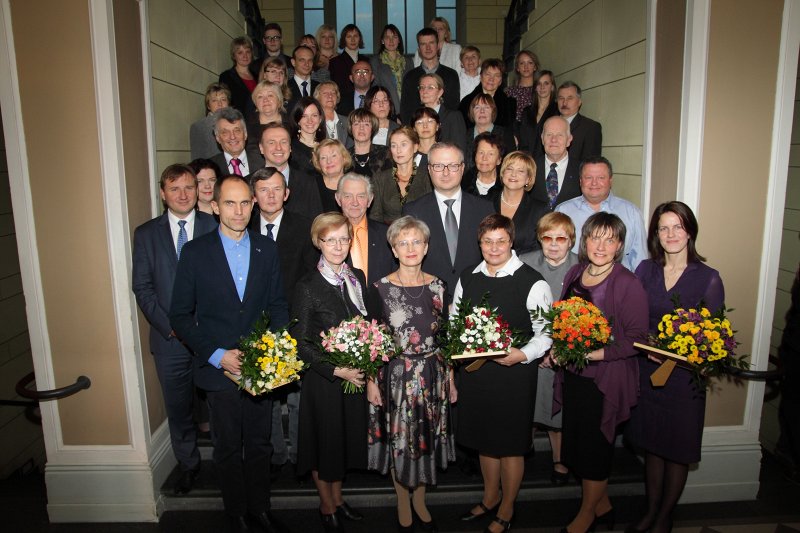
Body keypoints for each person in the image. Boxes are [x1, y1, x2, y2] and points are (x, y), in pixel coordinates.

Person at [169, 175, 289, 533]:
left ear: (253, 205)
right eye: (230, 203)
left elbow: (278, 306)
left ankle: (260, 508)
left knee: (259, 443)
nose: (238, 211)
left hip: (259, 367)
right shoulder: (195, 252)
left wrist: (270, 352)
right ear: (215, 206)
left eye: (244, 203)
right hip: (218, 368)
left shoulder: (266, 249)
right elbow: (179, 315)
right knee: (225, 446)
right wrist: (216, 354)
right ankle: (235, 512)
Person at [625, 201, 726, 533]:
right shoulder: (644, 270)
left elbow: (713, 337)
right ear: (656, 233)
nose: (671, 234)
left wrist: (688, 352)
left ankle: (665, 516)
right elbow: (633, 319)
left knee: (677, 449)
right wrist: (647, 345)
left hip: (683, 380)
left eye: (677, 227)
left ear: (690, 232)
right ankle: (650, 510)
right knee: (653, 447)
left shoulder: (708, 278)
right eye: (663, 228)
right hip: (648, 372)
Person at [452, 214, 553, 533]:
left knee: (509, 444)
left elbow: (546, 333)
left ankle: (508, 506)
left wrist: (522, 355)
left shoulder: (532, 281)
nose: (494, 248)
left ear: (511, 242)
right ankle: (490, 496)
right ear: (479, 243)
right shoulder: (468, 276)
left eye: (501, 241)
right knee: (484, 440)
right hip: (476, 374)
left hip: (514, 375)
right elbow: (456, 320)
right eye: (487, 241)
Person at [554, 212, 649, 533]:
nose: (601, 245)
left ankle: (587, 514)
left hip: (605, 379)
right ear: (585, 240)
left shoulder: (627, 282)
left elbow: (636, 339)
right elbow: (563, 321)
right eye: (596, 237)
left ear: (619, 245)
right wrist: (559, 346)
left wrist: (593, 353)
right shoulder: (575, 273)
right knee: (579, 445)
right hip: (575, 376)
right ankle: (603, 504)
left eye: (610, 239)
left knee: (595, 448)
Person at [366, 215, 456, 532]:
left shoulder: (439, 286)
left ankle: (420, 497)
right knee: (400, 439)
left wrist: (451, 378)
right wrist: (369, 381)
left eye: (416, 241)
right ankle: (402, 496)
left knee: (425, 437)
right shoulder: (379, 288)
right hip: (394, 376)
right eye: (402, 242)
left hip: (432, 373)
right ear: (393, 249)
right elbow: (371, 340)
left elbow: (445, 337)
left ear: (427, 246)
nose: (410, 248)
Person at [132, 164, 217, 496]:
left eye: (189, 187)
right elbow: (143, 288)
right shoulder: (146, 234)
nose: (183, 194)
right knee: (179, 408)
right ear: (163, 193)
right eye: (175, 188)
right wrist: (175, 329)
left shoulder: (215, 227)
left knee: (220, 404)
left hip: (212, 337)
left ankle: (226, 463)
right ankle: (189, 465)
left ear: (197, 191)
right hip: (170, 341)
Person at [293, 212, 369, 533]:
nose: (338, 246)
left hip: (353, 378)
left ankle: (338, 499)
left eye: (343, 238)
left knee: (341, 444)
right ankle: (325, 504)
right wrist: (338, 370)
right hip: (325, 381)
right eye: (330, 239)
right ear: (318, 242)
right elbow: (301, 343)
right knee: (324, 445)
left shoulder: (357, 278)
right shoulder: (307, 286)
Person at [249, 167, 318, 479]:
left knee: (298, 396)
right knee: (267, 397)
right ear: (254, 196)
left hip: (294, 323)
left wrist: (296, 326)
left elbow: (309, 280)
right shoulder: (241, 226)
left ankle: (302, 454)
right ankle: (276, 455)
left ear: (287, 193)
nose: (271, 195)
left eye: (277, 188)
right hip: (254, 326)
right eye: (264, 189)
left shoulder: (304, 228)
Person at [520, 212, 580, 486]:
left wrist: (559, 351)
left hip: (565, 353)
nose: (554, 244)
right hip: (532, 348)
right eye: (547, 238)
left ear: (571, 241)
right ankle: (523, 449)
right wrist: (536, 349)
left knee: (559, 409)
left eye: (561, 238)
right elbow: (515, 311)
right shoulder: (524, 263)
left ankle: (560, 460)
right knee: (528, 403)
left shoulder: (583, 268)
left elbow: (587, 317)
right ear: (539, 239)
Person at [402, 142, 494, 303]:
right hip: (427, 300)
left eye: (452, 165)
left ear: (462, 168)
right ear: (429, 169)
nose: (445, 172)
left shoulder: (484, 209)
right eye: (438, 166)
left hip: (476, 300)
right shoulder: (412, 212)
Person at [555, 156, 648, 271]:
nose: (594, 183)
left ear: (610, 181)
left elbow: (640, 259)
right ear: (580, 181)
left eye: (601, 177)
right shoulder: (563, 211)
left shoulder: (632, 213)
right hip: (575, 283)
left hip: (620, 285)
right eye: (588, 177)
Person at [335, 173, 396, 286]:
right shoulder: (328, 237)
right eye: (348, 196)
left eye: (361, 196)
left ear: (370, 200)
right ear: (338, 199)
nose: (355, 202)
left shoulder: (387, 234)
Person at [258, 122, 323, 219]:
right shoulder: (249, 183)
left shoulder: (308, 182)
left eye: (283, 142)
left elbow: (318, 224)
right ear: (261, 148)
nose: (278, 148)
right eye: (271, 142)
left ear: (290, 147)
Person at [370, 126, 432, 225]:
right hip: (388, 236)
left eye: (403, 145)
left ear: (415, 147)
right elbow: (375, 217)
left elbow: (432, 213)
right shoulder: (380, 178)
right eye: (394, 146)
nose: (398, 150)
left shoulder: (427, 177)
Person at [400, 28, 460, 123]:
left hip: (444, 130)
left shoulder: (451, 75)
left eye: (431, 43)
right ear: (419, 49)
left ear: (438, 46)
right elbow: (406, 111)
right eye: (423, 44)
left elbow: (453, 107)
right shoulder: (410, 77)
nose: (428, 48)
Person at [493, 151, 547, 254]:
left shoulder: (540, 210)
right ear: (503, 173)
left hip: (525, 267)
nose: (513, 174)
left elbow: (539, 250)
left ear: (528, 179)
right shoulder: (484, 202)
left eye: (520, 171)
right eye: (509, 169)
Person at [530, 116, 581, 210]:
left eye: (560, 135)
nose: (553, 140)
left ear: (569, 140)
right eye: (549, 134)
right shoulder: (529, 167)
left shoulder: (582, 170)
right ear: (542, 139)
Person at [459, 59, 516, 130]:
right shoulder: (466, 102)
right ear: (481, 76)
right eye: (488, 74)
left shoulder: (509, 104)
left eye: (497, 75)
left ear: (501, 81)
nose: (491, 79)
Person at [416, 73, 466, 153]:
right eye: (422, 87)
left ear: (440, 92)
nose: (424, 91)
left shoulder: (453, 117)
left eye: (430, 87)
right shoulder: (416, 117)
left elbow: (460, 151)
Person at [464, 94, 516, 169]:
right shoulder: (464, 135)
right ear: (472, 112)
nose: (482, 111)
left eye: (487, 107)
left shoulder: (505, 134)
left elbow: (511, 163)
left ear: (493, 112)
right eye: (477, 107)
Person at [370, 24, 413, 114]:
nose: (391, 40)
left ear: (399, 40)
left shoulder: (408, 61)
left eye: (394, 37)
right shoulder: (376, 61)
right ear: (382, 41)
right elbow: (376, 86)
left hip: (408, 108)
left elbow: (411, 87)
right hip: (387, 109)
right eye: (387, 37)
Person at [210, 107, 264, 178]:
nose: (232, 137)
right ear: (217, 138)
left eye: (237, 131)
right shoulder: (210, 168)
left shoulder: (263, 162)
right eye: (225, 132)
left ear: (245, 134)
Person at [558, 81, 602, 162]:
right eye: (561, 98)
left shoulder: (591, 128)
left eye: (570, 98)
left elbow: (590, 164)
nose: (564, 103)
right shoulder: (549, 124)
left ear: (579, 102)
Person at [519, 70, 559, 157]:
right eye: (539, 83)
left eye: (546, 83)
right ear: (535, 87)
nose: (542, 87)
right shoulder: (527, 111)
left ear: (552, 87)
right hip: (527, 160)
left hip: (548, 160)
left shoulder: (557, 111)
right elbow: (522, 140)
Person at [346, 108, 392, 178]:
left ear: (372, 128)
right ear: (351, 128)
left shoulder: (385, 152)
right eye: (356, 124)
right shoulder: (345, 156)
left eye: (366, 124)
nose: (361, 128)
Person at [218, 36, 257, 117]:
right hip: (236, 122)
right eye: (240, 53)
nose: (245, 56)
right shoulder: (226, 77)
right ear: (234, 55)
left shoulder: (258, 76)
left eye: (248, 52)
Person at [190, 83, 230, 160]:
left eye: (223, 99)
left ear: (228, 103)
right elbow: (196, 159)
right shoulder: (199, 127)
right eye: (214, 100)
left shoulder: (237, 122)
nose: (220, 104)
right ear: (208, 105)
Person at [289, 96, 327, 177]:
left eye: (314, 115)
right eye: (304, 116)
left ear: (320, 119)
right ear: (298, 120)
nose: (310, 121)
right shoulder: (290, 148)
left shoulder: (327, 146)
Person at [328, 24, 369, 95]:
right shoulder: (335, 62)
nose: (353, 40)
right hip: (344, 102)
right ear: (344, 39)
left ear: (360, 39)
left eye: (355, 36)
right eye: (349, 36)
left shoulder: (367, 61)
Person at [313, 139, 352, 212]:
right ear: (318, 163)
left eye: (333, 156)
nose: (329, 161)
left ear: (344, 158)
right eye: (323, 157)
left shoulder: (355, 184)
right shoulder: (311, 186)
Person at [462, 132, 504, 199]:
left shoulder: (505, 186)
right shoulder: (463, 183)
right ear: (475, 156)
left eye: (490, 154)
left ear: (499, 160)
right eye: (481, 153)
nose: (484, 158)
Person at [246, 81, 286, 151]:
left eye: (270, 95)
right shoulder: (247, 127)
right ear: (256, 104)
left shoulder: (292, 123)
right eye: (260, 97)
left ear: (279, 101)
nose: (265, 100)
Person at [505, 50, 539, 123]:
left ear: (535, 67)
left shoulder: (540, 90)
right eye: (522, 63)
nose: (526, 66)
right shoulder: (509, 92)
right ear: (517, 68)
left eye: (530, 63)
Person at [315, 81, 352, 148]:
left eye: (333, 92)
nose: (330, 96)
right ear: (318, 98)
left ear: (337, 97)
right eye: (325, 93)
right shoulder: (314, 123)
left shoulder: (347, 121)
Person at [287, 45, 319, 114]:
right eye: (302, 60)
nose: (306, 64)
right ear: (293, 62)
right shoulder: (285, 88)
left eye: (310, 60)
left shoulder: (320, 87)